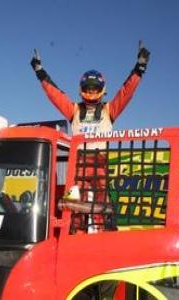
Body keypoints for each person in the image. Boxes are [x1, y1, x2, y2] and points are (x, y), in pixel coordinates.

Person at [31, 42, 150, 232]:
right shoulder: (74, 110)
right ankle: (75, 233)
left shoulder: (109, 109)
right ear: (82, 88)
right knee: (75, 202)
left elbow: (126, 92)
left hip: (100, 163)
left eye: (95, 88)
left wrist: (139, 68)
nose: (92, 91)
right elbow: (55, 94)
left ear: (101, 89)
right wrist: (40, 72)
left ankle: (101, 234)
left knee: (102, 202)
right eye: (89, 88)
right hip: (77, 165)